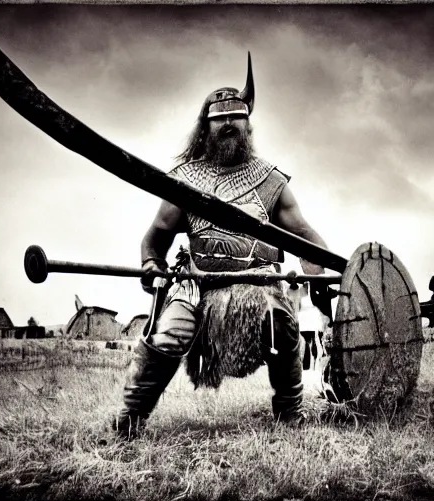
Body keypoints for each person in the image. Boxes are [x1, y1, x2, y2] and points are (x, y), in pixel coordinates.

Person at [112, 54, 330, 440]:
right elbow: (156, 235)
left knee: (281, 324)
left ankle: (290, 413)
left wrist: (318, 276)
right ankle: (129, 419)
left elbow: (305, 236)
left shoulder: (270, 181)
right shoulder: (185, 181)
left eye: (236, 116)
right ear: (206, 126)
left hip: (258, 286)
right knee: (170, 335)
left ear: (248, 124)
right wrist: (151, 263)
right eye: (220, 118)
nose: (229, 123)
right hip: (198, 288)